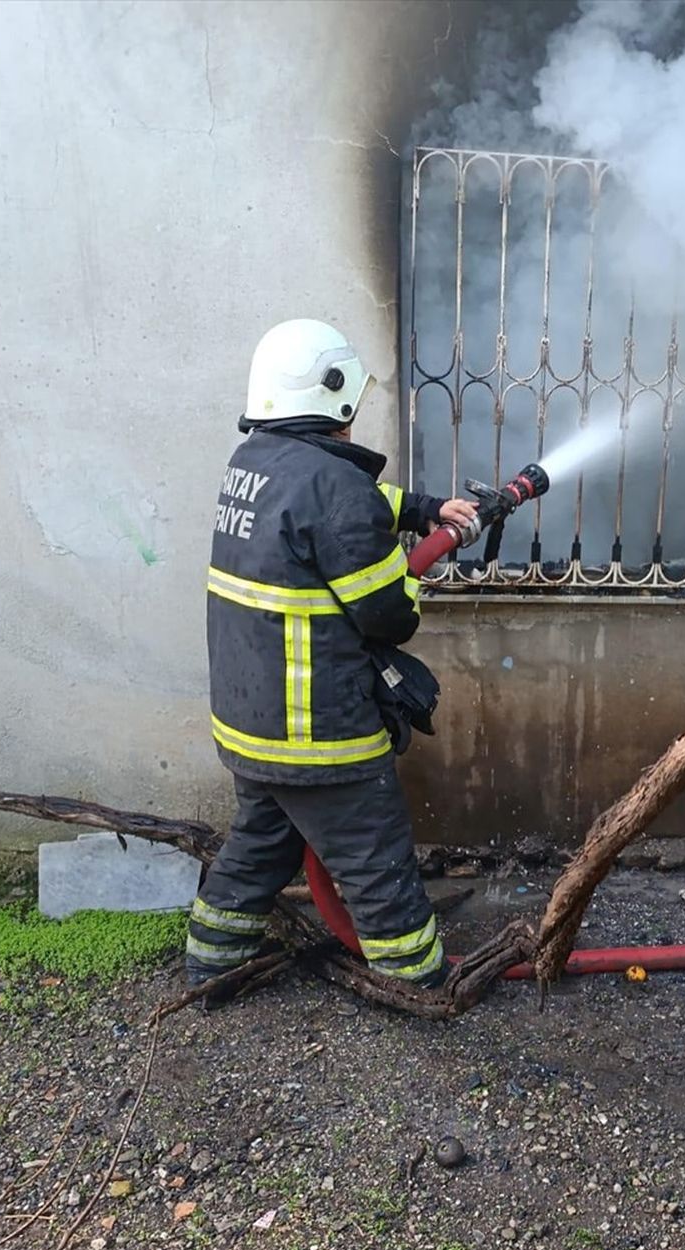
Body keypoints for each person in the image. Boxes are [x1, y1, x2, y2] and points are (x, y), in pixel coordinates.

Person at [186, 319, 477, 993]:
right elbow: (387, 616)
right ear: (335, 397)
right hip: (319, 731)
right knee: (374, 856)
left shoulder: (255, 465)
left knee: (261, 844)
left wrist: (430, 509)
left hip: (250, 721)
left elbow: (354, 504)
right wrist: (410, 578)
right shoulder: (334, 487)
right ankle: (418, 977)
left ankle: (210, 961)